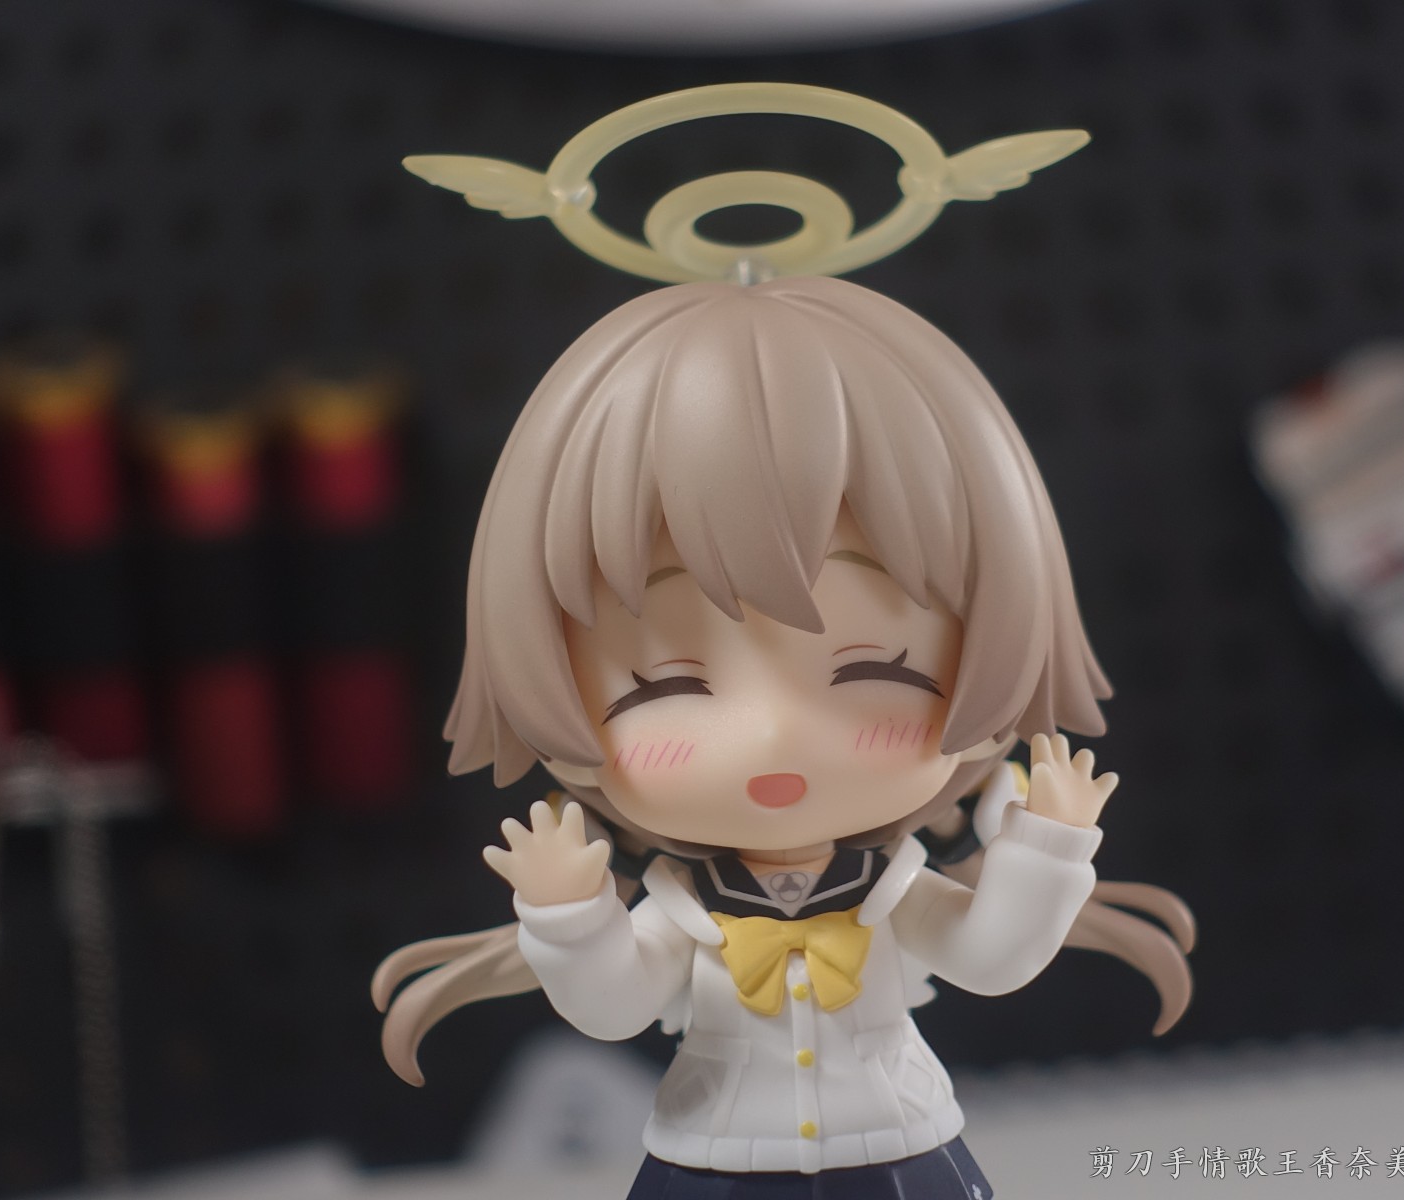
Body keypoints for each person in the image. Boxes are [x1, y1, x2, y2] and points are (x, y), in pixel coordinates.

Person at [373, 275, 1194, 1199]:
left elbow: (992, 960)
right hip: (716, 1155)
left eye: (879, 670)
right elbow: (612, 1008)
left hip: (898, 1145)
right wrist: (569, 914)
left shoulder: (892, 890)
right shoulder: (686, 908)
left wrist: (1047, 846)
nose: (771, 732)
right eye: (666, 684)